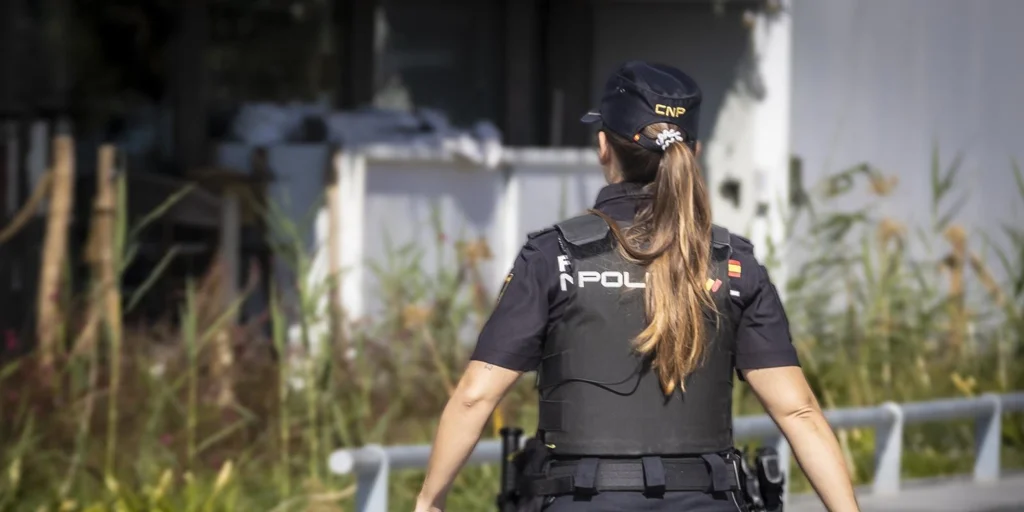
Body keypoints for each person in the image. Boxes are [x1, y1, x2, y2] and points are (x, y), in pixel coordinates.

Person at [414, 60, 859, 512]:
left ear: (604, 146)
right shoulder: (733, 263)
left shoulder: (555, 256)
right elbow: (798, 411)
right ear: (695, 150)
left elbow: (475, 396)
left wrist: (430, 502)